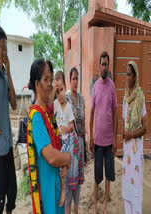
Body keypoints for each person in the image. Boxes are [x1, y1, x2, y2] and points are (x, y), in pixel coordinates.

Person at [27, 59, 71, 214]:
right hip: (48, 191)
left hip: (56, 186)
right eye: (46, 80)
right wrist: (68, 158)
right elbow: (51, 157)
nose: (50, 84)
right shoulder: (37, 116)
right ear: (37, 84)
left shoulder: (48, 113)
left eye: (51, 80)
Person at [0, 24, 17, 214]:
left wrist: (9, 71)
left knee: (12, 190)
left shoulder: (4, 73)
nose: (7, 46)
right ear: (2, 43)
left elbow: (14, 104)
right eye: (6, 42)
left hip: (8, 143)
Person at [90, 51, 118, 214]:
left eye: (106, 64)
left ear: (108, 65)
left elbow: (115, 113)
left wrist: (115, 138)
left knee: (108, 176)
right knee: (97, 176)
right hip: (98, 141)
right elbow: (92, 113)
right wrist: (91, 136)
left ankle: (105, 206)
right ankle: (95, 206)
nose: (104, 67)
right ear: (99, 66)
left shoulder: (112, 86)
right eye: (102, 64)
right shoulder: (95, 87)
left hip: (109, 141)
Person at [122, 61, 146, 214]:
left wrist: (131, 134)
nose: (128, 78)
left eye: (130, 74)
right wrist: (124, 134)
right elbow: (124, 121)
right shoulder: (125, 99)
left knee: (136, 186)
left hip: (136, 153)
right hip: (127, 153)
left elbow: (145, 128)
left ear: (135, 76)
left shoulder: (140, 99)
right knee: (127, 189)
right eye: (126, 74)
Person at [65, 67, 85, 214]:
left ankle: (76, 211)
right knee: (68, 184)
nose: (75, 82)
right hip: (70, 146)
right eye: (73, 79)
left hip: (80, 145)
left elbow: (83, 123)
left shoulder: (82, 99)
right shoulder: (65, 98)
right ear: (69, 80)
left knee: (77, 183)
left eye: (77, 78)